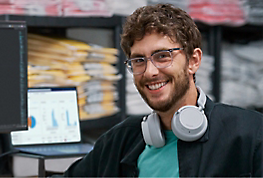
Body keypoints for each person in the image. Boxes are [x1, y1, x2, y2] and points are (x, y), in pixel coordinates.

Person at [63, 3, 263, 177]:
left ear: (193, 61)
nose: (150, 72)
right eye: (139, 60)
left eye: (162, 56)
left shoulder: (250, 134)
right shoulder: (119, 140)